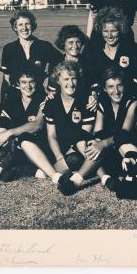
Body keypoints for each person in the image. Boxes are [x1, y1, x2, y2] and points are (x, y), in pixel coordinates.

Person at [0, 62, 63, 184]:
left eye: (31, 81)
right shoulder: (12, 101)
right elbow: (0, 124)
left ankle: (2, 167)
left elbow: (37, 125)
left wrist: (9, 132)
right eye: (24, 82)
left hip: (39, 147)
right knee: (7, 143)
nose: (28, 86)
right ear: (17, 83)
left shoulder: (44, 99)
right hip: (17, 147)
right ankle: (27, 170)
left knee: (21, 139)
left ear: (37, 82)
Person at [43, 61, 99, 195]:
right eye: (66, 79)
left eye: (74, 78)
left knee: (76, 158)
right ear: (58, 81)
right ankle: (58, 169)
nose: (71, 83)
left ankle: (64, 172)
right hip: (59, 149)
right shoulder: (52, 102)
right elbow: (51, 135)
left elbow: (84, 133)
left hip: (77, 148)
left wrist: (70, 152)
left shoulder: (86, 101)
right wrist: (59, 157)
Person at [87, 66, 137, 191]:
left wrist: (103, 143)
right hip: (109, 151)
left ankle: (81, 177)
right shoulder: (103, 102)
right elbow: (97, 130)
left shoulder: (133, 102)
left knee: (121, 144)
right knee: (89, 145)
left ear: (124, 86)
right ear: (104, 89)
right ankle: (104, 178)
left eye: (119, 85)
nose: (116, 91)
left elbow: (125, 132)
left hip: (125, 150)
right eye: (110, 87)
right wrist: (96, 142)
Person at [0, 9, 60, 104]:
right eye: (20, 25)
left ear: (33, 25)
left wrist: (51, 83)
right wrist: (3, 103)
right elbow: (6, 80)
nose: (24, 28)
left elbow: (61, 63)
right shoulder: (9, 48)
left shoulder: (44, 46)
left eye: (27, 24)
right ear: (15, 27)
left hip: (38, 95)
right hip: (15, 97)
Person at [89, 6, 137, 97]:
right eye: (105, 31)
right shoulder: (95, 53)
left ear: (120, 30)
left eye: (113, 31)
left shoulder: (132, 51)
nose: (109, 36)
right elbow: (93, 80)